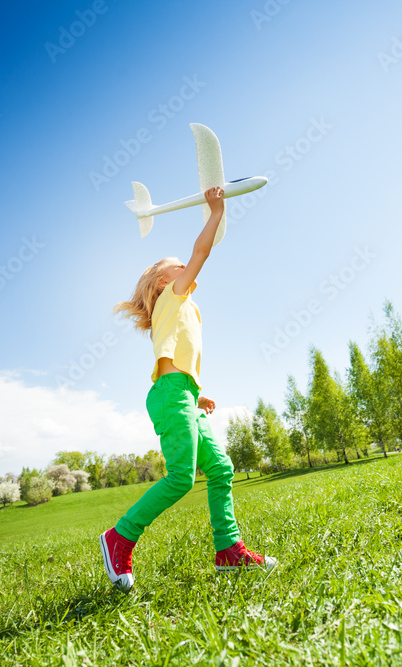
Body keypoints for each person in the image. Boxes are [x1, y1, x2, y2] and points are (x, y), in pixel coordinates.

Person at [99, 186, 277, 591]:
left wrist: (197, 394)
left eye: (183, 266)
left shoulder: (179, 305)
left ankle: (229, 552)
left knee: (221, 468)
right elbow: (201, 252)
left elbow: (177, 358)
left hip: (183, 393)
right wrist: (215, 212)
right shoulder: (174, 296)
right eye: (178, 266)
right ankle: (119, 537)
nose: (186, 267)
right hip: (170, 394)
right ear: (164, 281)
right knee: (181, 477)